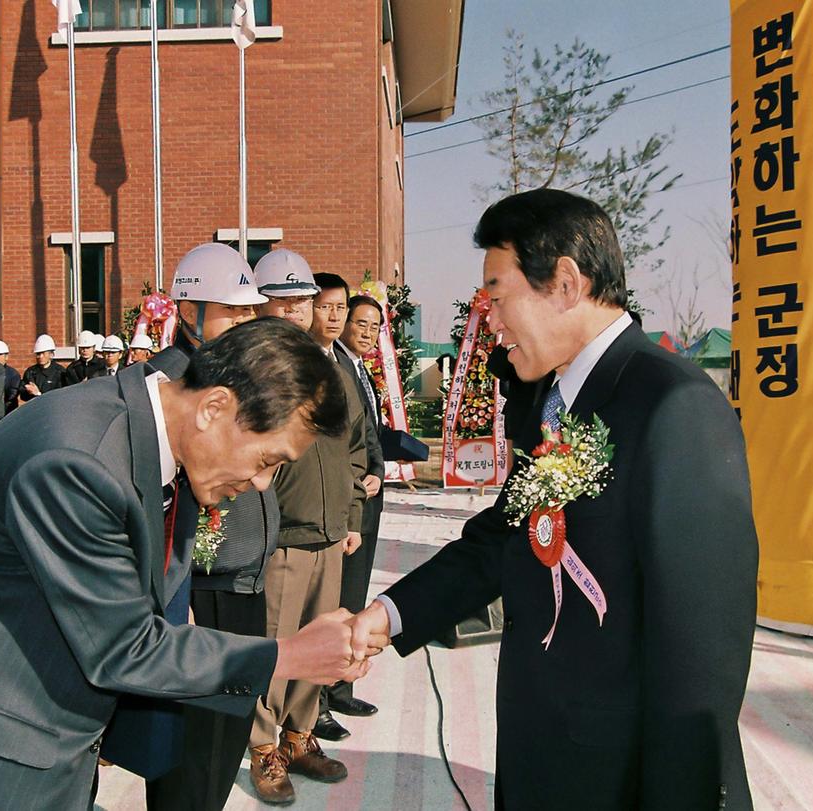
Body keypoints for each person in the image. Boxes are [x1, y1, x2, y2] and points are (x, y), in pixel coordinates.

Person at [0, 319, 369, 811]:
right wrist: (290, 655)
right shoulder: (77, 460)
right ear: (215, 408)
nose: (259, 484)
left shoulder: (154, 430)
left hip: (37, 750)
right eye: (268, 460)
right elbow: (124, 646)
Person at [348, 189, 760, 810]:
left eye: (498, 294)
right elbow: (505, 537)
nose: (488, 318)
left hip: (617, 776)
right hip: (543, 751)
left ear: (565, 282)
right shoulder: (559, 400)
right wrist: (387, 615)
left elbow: (702, 647)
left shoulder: (672, 404)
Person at [141, 242, 272, 811]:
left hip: (244, 580)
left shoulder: (237, 376)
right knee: (189, 755)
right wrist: (173, 591)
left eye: (248, 311)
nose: (244, 322)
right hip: (198, 590)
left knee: (225, 740)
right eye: (230, 310)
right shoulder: (173, 386)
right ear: (189, 311)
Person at [248, 250, 369, 805]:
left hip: (328, 536)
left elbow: (355, 449)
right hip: (281, 538)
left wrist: (350, 518)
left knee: (319, 648)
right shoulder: (256, 367)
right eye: (286, 298)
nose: (297, 308)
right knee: (278, 648)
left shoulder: (337, 370)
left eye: (303, 298)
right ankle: (263, 747)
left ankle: (299, 736)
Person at [317, 288, 387, 739]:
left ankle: (342, 687)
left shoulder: (361, 369)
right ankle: (319, 698)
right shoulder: (331, 366)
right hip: (347, 500)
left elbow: (370, 435)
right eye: (359, 322)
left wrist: (379, 469)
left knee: (354, 592)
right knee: (333, 600)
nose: (367, 332)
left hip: (368, 495)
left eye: (374, 327)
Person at [20, 334, 68, 401]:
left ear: (51, 354)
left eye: (43, 353)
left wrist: (38, 393)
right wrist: (28, 392)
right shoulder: (30, 372)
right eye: (38, 354)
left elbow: (62, 396)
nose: (40, 357)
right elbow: (23, 396)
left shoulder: (60, 372)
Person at [0, 340, 21, 414]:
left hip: (8, 412)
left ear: (6, 357)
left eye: (0, 354)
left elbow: (11, 395)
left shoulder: (13, 374)